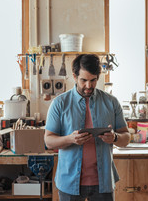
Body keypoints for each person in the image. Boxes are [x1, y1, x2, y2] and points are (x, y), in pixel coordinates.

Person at [44, 54, 130, 201]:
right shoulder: (59, 103)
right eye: (84, 80)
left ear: (98, 77)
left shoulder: (112, 102)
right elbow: (49, 141)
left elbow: (126, 138)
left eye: (93, 80)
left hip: (103, 182)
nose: (88, 86)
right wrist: (70, 139)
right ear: (74, 76)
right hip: (69, 183)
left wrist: (115, 137)